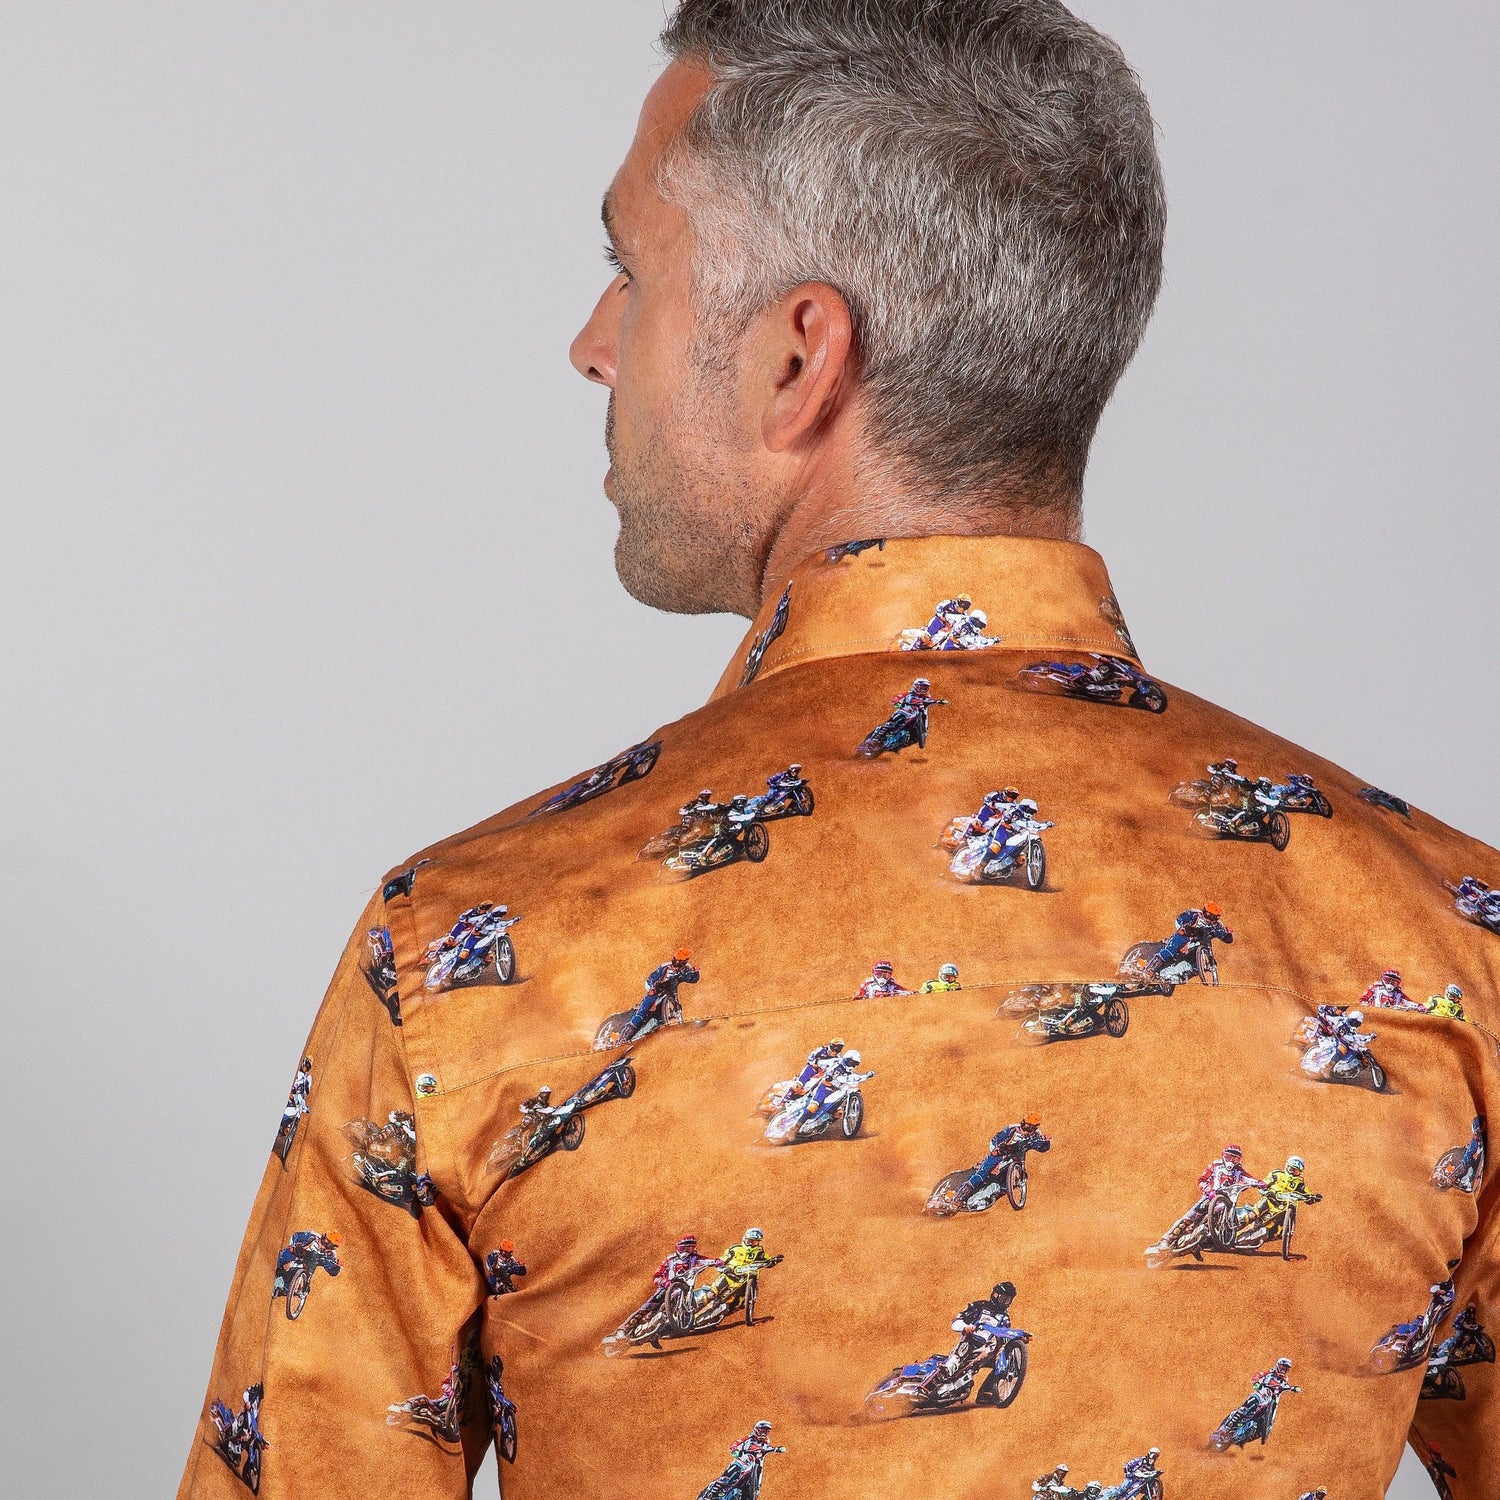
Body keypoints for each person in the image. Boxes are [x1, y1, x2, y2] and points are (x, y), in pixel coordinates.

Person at [182, 4, 1500, 1494]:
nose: (593, 345)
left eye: (632, 270)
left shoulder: (472, 960)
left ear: (801, 358)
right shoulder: (1451, 947)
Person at [956, 1116, 1050, 1205]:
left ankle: (989, 1196)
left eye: (1029, 1126)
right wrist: (997, 1161)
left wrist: (1047, 1141)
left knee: (1010, 1182)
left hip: (1016, 1158)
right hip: (999, 1154)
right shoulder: (1012, 1128)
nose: (1025, 1128)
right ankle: (958, 1199)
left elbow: (1041, 1148)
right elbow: (994, 1141)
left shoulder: (1037, 1135)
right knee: (983, 1173)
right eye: (1024, 1124)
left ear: (1035, 1127)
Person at [623, 948, 701, 1035]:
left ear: (685, 961)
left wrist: (696, 972)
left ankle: (672, 1024)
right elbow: (651, 978)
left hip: (670, 991)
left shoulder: (687, 969)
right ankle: (628, 1030)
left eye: (679, 961)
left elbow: (692, 979)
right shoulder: (665, 967)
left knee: (675, 1005)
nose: (676, 962)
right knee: (647, 1006)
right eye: (675, 959)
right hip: (657, 989)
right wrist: (653, 988)